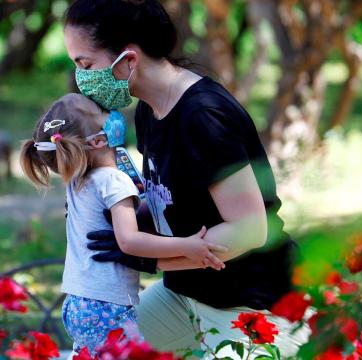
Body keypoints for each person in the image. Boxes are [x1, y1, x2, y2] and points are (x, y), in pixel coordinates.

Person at [63, 0, 308, 356]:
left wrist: (148, 257)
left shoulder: (203, 117)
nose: (82, 78)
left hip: (253, 306)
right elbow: (171, 200)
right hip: (184, 296)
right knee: (99, 351)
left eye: (86, 65)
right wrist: (117, 213)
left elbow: (251, 229)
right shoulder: (150, 109)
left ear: (129, 59)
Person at [19, 93, 227, 355]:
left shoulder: (78, 181)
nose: (112, 113)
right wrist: (187, 246)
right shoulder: (114, 181)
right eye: (101, 111)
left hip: (77, 302)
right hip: (107, 306)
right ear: (98, 140)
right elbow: (129, 241)